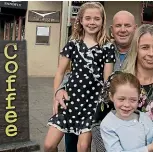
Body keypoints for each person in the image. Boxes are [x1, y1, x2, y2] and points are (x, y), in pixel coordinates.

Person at [56, 10, 137, 152]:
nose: (122, 30)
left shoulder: (141, 52)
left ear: (135, 28)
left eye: (127, 25)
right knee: (74, 146)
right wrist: (61, 88)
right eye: (118, 26)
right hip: (82, 105)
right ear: (112, 29)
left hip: (122, 116)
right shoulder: (101, 47)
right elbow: (76, 70)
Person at [44, 2, 115, 152]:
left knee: (83, 147)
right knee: (49, 145)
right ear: (81, 21)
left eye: (97, 18)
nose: (92, 22)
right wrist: (56, 94)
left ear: (102, 21)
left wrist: (104, 106)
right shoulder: (72, 44)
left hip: (92, 102)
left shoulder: (107, 47)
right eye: (88, 18)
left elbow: (107, 80)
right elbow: (60, 72)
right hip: (70, 100)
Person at [100, 72, 153, 152]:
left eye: (133, 100)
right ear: (111, 96)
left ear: (139, 98)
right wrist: (149, 149)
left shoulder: (144, 117)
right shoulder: (108, 125)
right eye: (121, 99)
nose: (126, 105)